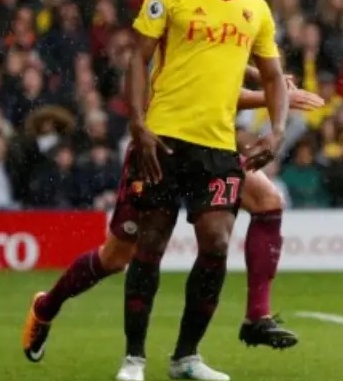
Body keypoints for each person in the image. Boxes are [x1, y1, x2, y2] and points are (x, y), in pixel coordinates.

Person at [20, 71, 323, 364]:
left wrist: (263, 77)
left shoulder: (228, 37)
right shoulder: (174, 38)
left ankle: (255, 316)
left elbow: (227, 56)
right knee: (114, 258)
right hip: (165, 144)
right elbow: (209, 90)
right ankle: (46, 306)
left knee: (268, 201)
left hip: (211, 148)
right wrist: (272, 93)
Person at [118, 0, 289, 381]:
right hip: (165, 139)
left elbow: (274, 76)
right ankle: (134, 357)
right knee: (151, 242)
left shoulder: (257, 9)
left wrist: (276, 131)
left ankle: (186, 356)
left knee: (215, 242)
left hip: (218, 147)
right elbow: (138, 58)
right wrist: (138, 124)